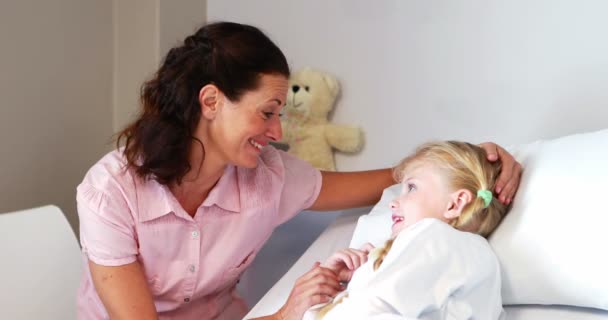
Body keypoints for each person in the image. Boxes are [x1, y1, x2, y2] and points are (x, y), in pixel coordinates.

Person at [75, 21, 521, 320]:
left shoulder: (267, 177)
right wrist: (284, 315)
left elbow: (385, 182)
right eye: (268, 112)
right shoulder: (110, 194)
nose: (278, 130)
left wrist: (462, 164)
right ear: (211, 102)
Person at [302, 141, 509, 320]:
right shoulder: (477, 256)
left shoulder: (433, 234)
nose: (393, 203)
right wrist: (357, 277)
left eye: (411, 187)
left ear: (455, 204)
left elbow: (373, 308)